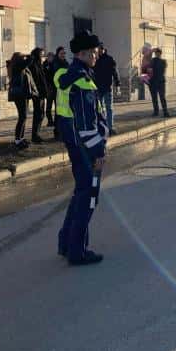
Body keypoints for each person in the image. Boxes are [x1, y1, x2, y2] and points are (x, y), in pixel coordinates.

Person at [56, 30, 109, 266]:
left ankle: (67, 243)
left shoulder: (68, 74)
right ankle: (78, 251)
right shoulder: (83, 82)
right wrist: (98, 153)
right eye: (95, 53)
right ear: (84, 53)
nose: (97, 56)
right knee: (89, 197)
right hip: (86, 148)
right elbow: (88, 127)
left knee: (80, 192)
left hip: (74, 145)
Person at [7, 52, 37, 149]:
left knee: (23, 116)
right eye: (21, 57)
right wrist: (28, 55)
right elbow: (29, 60)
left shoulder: (17, 66)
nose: (23, 58)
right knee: (22, 117)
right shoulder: (17, 66)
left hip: (22, 94)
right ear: (18, 59)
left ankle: (21, 138)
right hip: (19, 95)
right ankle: (17, 139)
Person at [93, 44, 120, 135]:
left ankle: (110, 127)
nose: (99, 51)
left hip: (107, 88)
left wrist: (117, 83)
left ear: (104, 49)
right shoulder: (95, 60)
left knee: (109, 108)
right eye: (98, 50)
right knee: (100, 109)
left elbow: (115, 71)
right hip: (98, 88)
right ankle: (103, 127)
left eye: (100, 49)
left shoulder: (109, 59)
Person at [28, 47, 48, 144]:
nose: (43, 56)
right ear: (37, 55)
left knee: (41, 114)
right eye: (42, 54)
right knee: (38, 114)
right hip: (37, 93)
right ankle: (35, 136)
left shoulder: (40, 65)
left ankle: (37, 134)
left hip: (42, 93)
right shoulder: (33, 64)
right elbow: (35, 80)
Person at [49, 46, 69, 138]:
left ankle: (62, 131)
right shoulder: (56, 63)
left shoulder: (65, 63)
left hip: (64, 91)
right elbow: (58, 77)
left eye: (64, 53)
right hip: (57, 90)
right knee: (59, 112)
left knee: (63, 112)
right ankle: (57, 132)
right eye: (61, 53)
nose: (63, 55)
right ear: (57, 54)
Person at [149, 47, 169, 117]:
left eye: (157, 53)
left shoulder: (162, 61)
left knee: (162, 97)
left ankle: (165, 112)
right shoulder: (154, 61)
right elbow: (149, 70)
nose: (156, 54)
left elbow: (163, 70)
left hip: (159, 81)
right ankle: (156, 111)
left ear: (160, 53)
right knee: (155, 98)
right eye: (156, 53)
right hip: (155, 81)